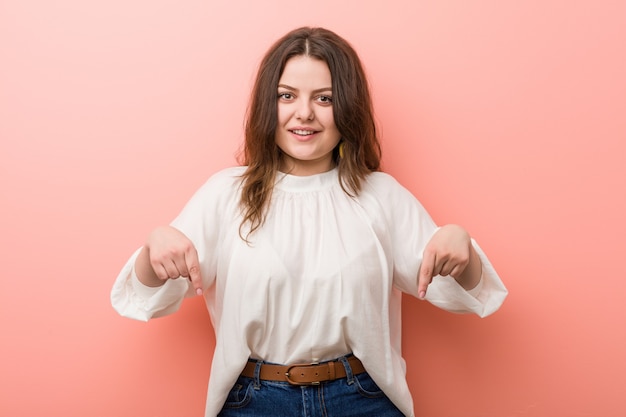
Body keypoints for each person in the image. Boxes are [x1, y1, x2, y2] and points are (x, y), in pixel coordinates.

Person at [111, 26, 507, 417]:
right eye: (287, 96)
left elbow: (462, 290)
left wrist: (461, 245)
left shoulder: (381, 195)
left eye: (325, 98)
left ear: (347, 107)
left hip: (361, 398)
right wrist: (154, 247)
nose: (304, 113)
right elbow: (146, 294)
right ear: (270, 104)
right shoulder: (224, 194)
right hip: (254, 401)